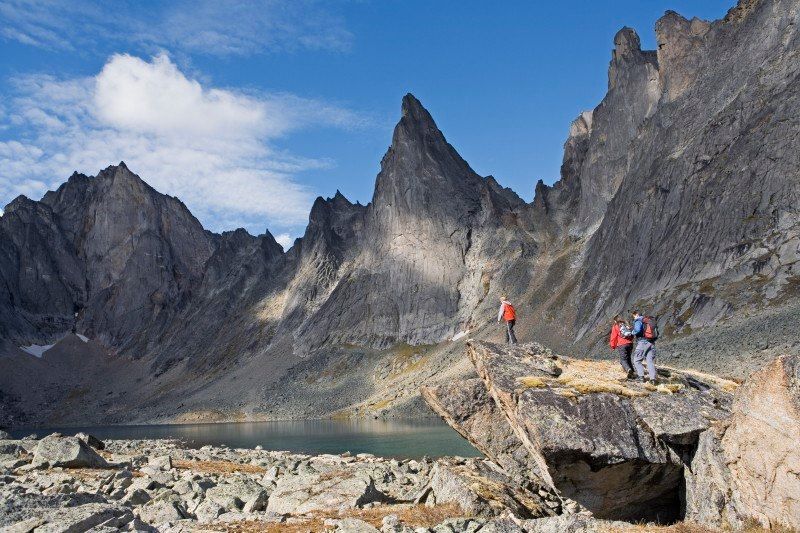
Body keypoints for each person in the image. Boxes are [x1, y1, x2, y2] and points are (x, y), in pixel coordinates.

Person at [631, 311, 658, 383]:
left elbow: (637, 329)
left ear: (636, 314)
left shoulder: (638, 320)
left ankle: (641, 378)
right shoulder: (648, 320)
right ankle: (653, 380)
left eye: (634, 316)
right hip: (651, 342)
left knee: (636, 360)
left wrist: (632, 332)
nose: (634, 318)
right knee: (650, 361)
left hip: (643, 342)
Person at [609, 315, 634, 379]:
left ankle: (628, 370)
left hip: (622, 344)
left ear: (615, 320)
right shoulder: (626, 324)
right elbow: (631, 333)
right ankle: (632, 373)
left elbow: (613, 337)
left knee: (623, 360)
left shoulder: (616, 326)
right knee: (628, 359)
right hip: (630, 344)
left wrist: (613, 346)